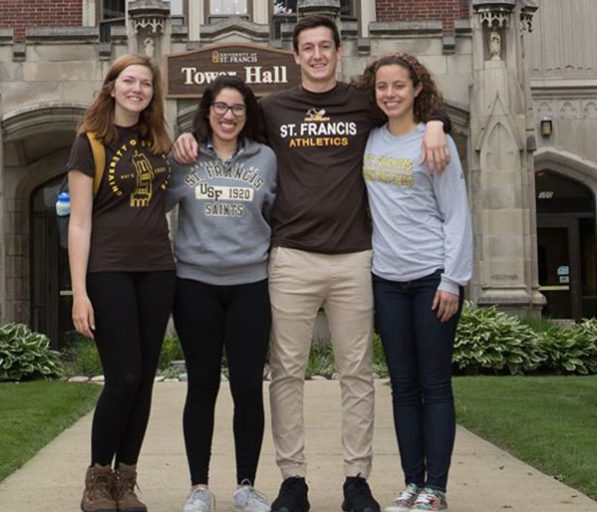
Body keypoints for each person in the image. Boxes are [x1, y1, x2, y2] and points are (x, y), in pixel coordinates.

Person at [173, 15, 451, 512]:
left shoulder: (363, 105)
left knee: (357, 374)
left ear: (338, 53)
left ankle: (356, 481)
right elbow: (224, 130)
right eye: (308, 48)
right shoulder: (273, 110)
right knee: (285, 373)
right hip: (290, 257)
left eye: (326, 46)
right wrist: (186, 141)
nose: (318, 55)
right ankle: (292, 480)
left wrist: (437, 125)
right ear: (295, 56)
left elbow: (405, 106)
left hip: (354, 258)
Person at [354, 53, 472, 512]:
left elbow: (457, 213)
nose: (390, 94)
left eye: (399, 86)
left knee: (435, 384)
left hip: (431, 279)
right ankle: (411, 483)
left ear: (417, 89)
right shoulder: (371, 140)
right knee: (402, 386)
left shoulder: (434, 141)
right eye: (382, 86)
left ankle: (436, 488)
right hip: (386, 279)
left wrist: (453, 280)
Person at [67, 53, 175, 512]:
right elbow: (78, 224)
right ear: (111, 87)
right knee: (123, 376)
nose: (138, 89)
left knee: (145, 379)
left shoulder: (159, 142)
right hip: (108, 270)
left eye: (145, 83)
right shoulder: (89, 143)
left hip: (157, 268)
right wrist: (80, 292)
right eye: (129, 81)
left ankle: (126, 480)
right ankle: (97, 480)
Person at [165, 75, 277, 512]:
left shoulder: (266, 159)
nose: (228, 116)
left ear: (248, 115)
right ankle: (199, 487)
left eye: (238, 109)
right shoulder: (186, 156)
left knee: (248, 386)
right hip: (195, 285)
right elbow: (155, 205)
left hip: (250, 285)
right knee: (203, 386)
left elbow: (278, 212)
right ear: (207, 111)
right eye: (221, 107)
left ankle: (246, 486)